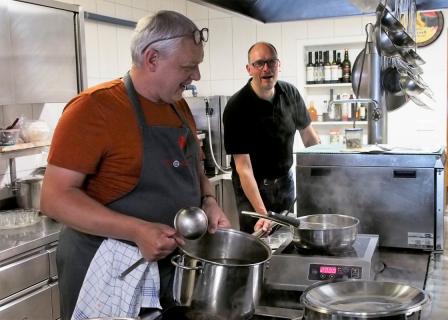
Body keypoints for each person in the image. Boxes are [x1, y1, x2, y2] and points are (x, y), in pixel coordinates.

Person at [40, 10, 230, 319]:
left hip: (167, 273)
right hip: (107, 274)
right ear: (152, 58)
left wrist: (208, 201)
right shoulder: (94, 109)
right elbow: (54, 198)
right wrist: (135, 230)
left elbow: (195, 169)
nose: (196, 76)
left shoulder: (177, 105)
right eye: (188, 66)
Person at [223, 41, 320, 234]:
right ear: (249, 69)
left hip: (285, 182)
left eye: (271, 62)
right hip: (253, 189)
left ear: (279, 65)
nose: (266, 68)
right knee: (258, 243)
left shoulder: (290, 93)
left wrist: (322, 179)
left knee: (287, 238)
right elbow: (244, 169)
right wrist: (262, 213)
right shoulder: (237, 107)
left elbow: (311, 141)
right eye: (259, 63)